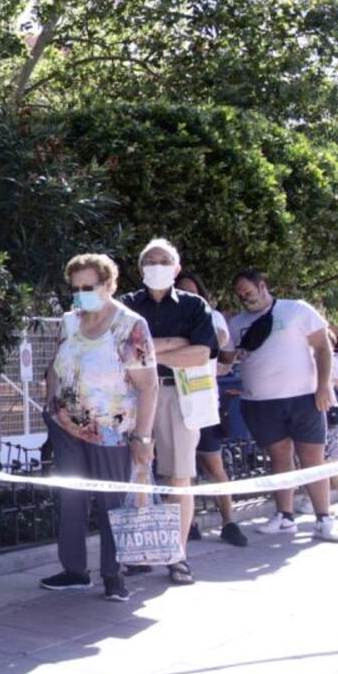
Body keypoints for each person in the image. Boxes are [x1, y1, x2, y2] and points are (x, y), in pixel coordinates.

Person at [40, 253, 158, 602]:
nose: (80, 294)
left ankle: (113, 575)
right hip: (66, 426)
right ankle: (74, 570)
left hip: (112, 430)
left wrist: (144, 436)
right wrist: (50, 399)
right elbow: (57, 365)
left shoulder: (130, 326)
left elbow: (149, 386)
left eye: (88, 287)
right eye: (75, 288)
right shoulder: (69, 322)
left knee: (112, 502)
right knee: (71, 497)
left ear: (109, 285)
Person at [120, 240, 217, 585]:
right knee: (139, 472)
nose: (157, 265)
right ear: (140, 268)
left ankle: (178, 556)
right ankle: (141, 552)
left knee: (180, 476)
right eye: (150, 260)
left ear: (176, 269)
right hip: (134, 396)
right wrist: (175, 343)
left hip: (179, 394)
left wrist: (149, 353)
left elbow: (201, 354)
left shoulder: (194, 306)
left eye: (163, 260)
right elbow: (120, 351)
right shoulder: (127, 306)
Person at [223, 269, 338, 541]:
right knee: (279, 457)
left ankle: (324, 518)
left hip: (303, 396)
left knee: (312, 458)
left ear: (262, 286)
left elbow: (323, 348)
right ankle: (284, 515)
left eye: (248, 292)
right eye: (240, 295)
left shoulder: (297, 309)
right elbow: (226, 358)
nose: (244, 298)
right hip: (261, 400)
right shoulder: (237, 322)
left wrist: (323, 386)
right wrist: (219, 325)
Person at [174, 272, 248, 548]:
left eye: (193, 291)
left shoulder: (212, 316)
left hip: (203, 402)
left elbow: (214, 344)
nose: (188, 296)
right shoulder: (166, 317)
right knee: (181, 469)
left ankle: (229, 522)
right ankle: (188, 524)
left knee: (214, 466)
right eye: (182, 291)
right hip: (174, 401)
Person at [295, 326, 338, 518]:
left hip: (326, 415)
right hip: (311, 414)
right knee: (315, 460)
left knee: (328, 461)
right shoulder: (305, 359)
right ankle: (315, 500)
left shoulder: (327, 359)